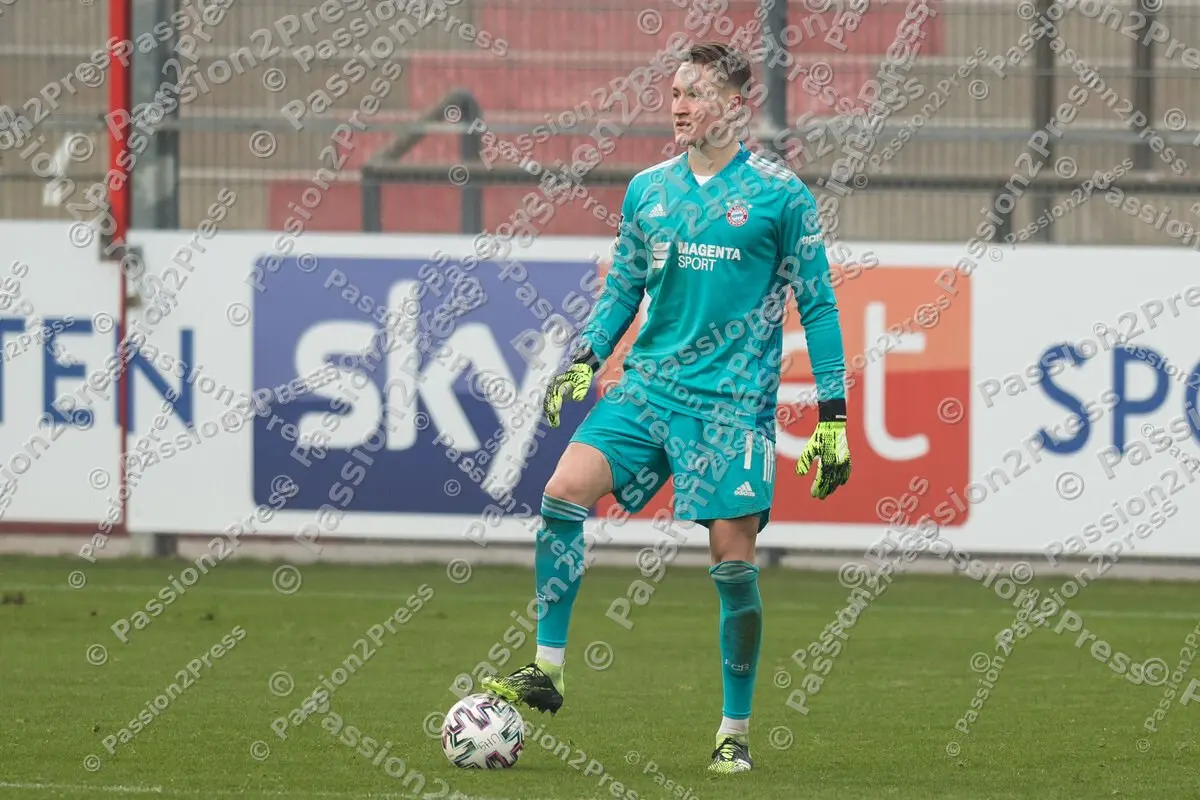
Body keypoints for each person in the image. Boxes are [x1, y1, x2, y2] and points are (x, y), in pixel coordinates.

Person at [482, 41, 851, 775]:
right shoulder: (649, 190)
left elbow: (820, 305)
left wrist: (834, 415)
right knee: (561, 495)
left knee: (733, 564)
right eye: (674, 91)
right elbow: (623, 286)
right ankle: (548, 671)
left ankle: (734, 732)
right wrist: (587, 356)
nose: (678, 104)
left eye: (694, 92)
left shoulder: (781, 196)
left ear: (732, 105)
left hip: (730, 406)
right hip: (648, 388)